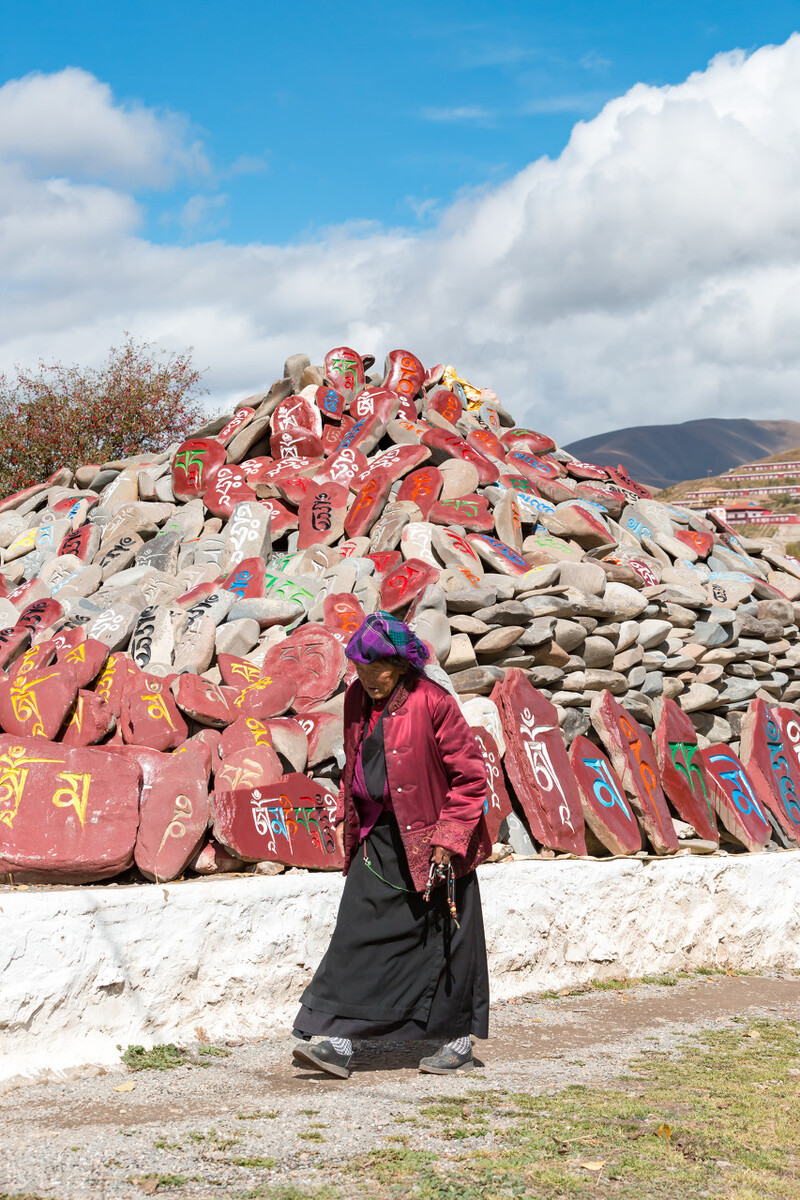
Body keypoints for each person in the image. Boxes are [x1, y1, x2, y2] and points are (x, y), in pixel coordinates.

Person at [292, 610, 491, 1079]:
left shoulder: (433, 701)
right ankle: (338, 1043)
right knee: (355, 933)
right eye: (359, 670)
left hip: (435, 838)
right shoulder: (358, 696)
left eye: (376, 670)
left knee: (447, 940)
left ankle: (458, 1041)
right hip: (379, 834)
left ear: (400, 665)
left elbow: (471, 777)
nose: (367, 679)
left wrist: (448, 837)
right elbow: (358, 758)